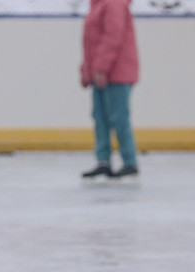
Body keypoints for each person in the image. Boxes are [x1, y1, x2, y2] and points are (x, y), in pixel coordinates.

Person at [80, 0, 140, 181]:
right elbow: (91, 43)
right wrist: (87, 69)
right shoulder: (98, 5)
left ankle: (130, 162)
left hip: (117, 72)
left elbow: (113, 36)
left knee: (118, 117)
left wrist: (101, 67)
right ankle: (103, 161)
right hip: (101, 72)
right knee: (100, 116)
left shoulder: (114, 4)